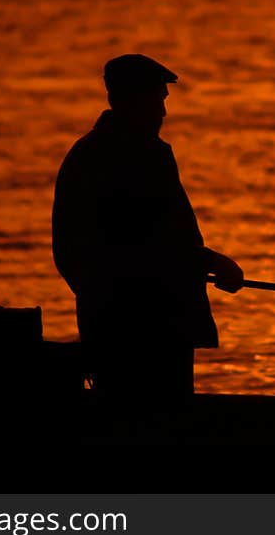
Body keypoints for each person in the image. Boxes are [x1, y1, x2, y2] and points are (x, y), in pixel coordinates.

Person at [52, 54, 243, 406]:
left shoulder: (88, 154)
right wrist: (215, 263)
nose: (163, 112)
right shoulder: (135, 156)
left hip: (111, 327)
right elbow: (155, 242)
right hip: (152, 331)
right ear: (132, 99)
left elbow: (77, 253)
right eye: (158, 99)